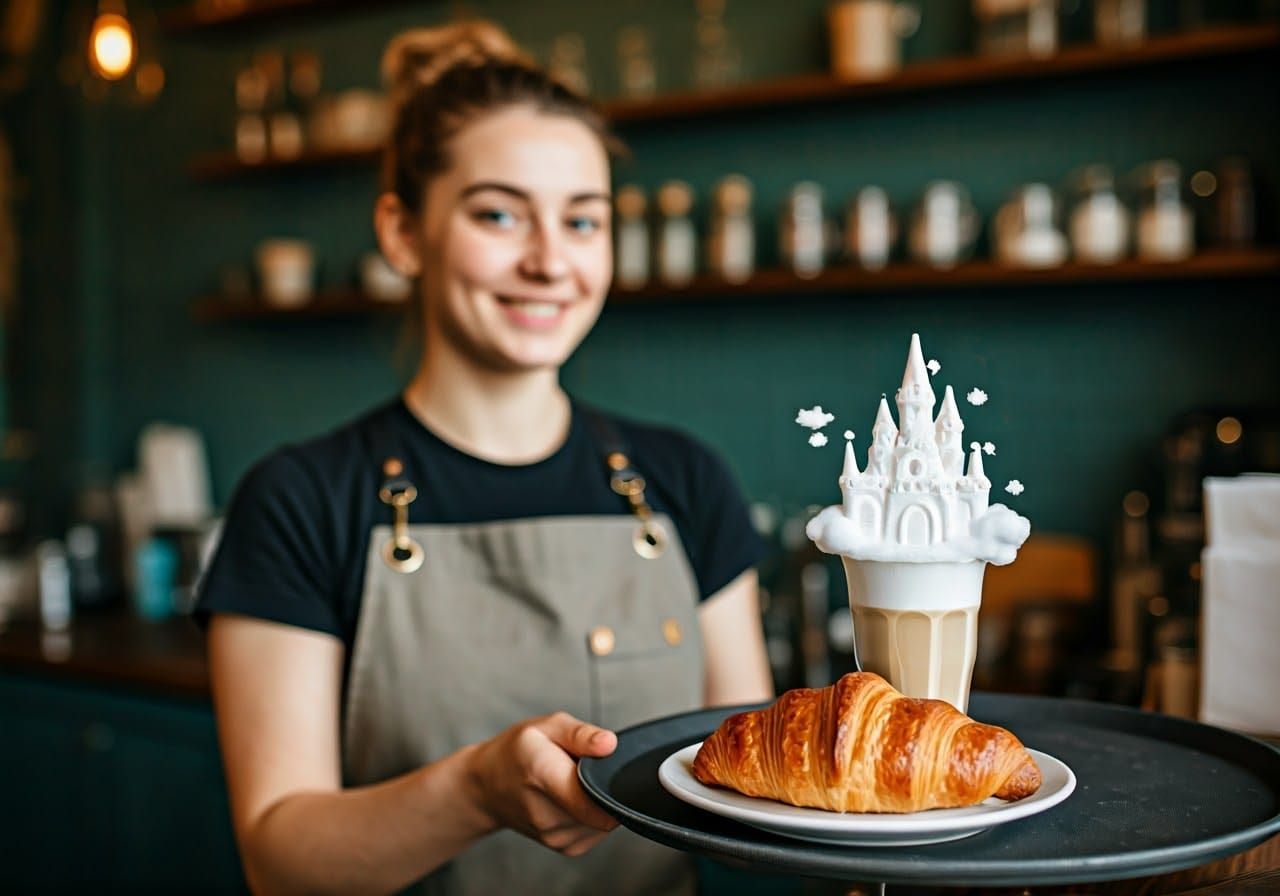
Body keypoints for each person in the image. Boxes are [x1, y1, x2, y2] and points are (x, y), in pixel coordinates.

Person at [195, 20, 773, 896]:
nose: (549, 262)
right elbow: (279, 861)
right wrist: (472, 791)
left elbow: (752, 775)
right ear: (401, 233)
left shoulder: (685, 481)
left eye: (583, 221)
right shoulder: (301, 499)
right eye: (499, 214)